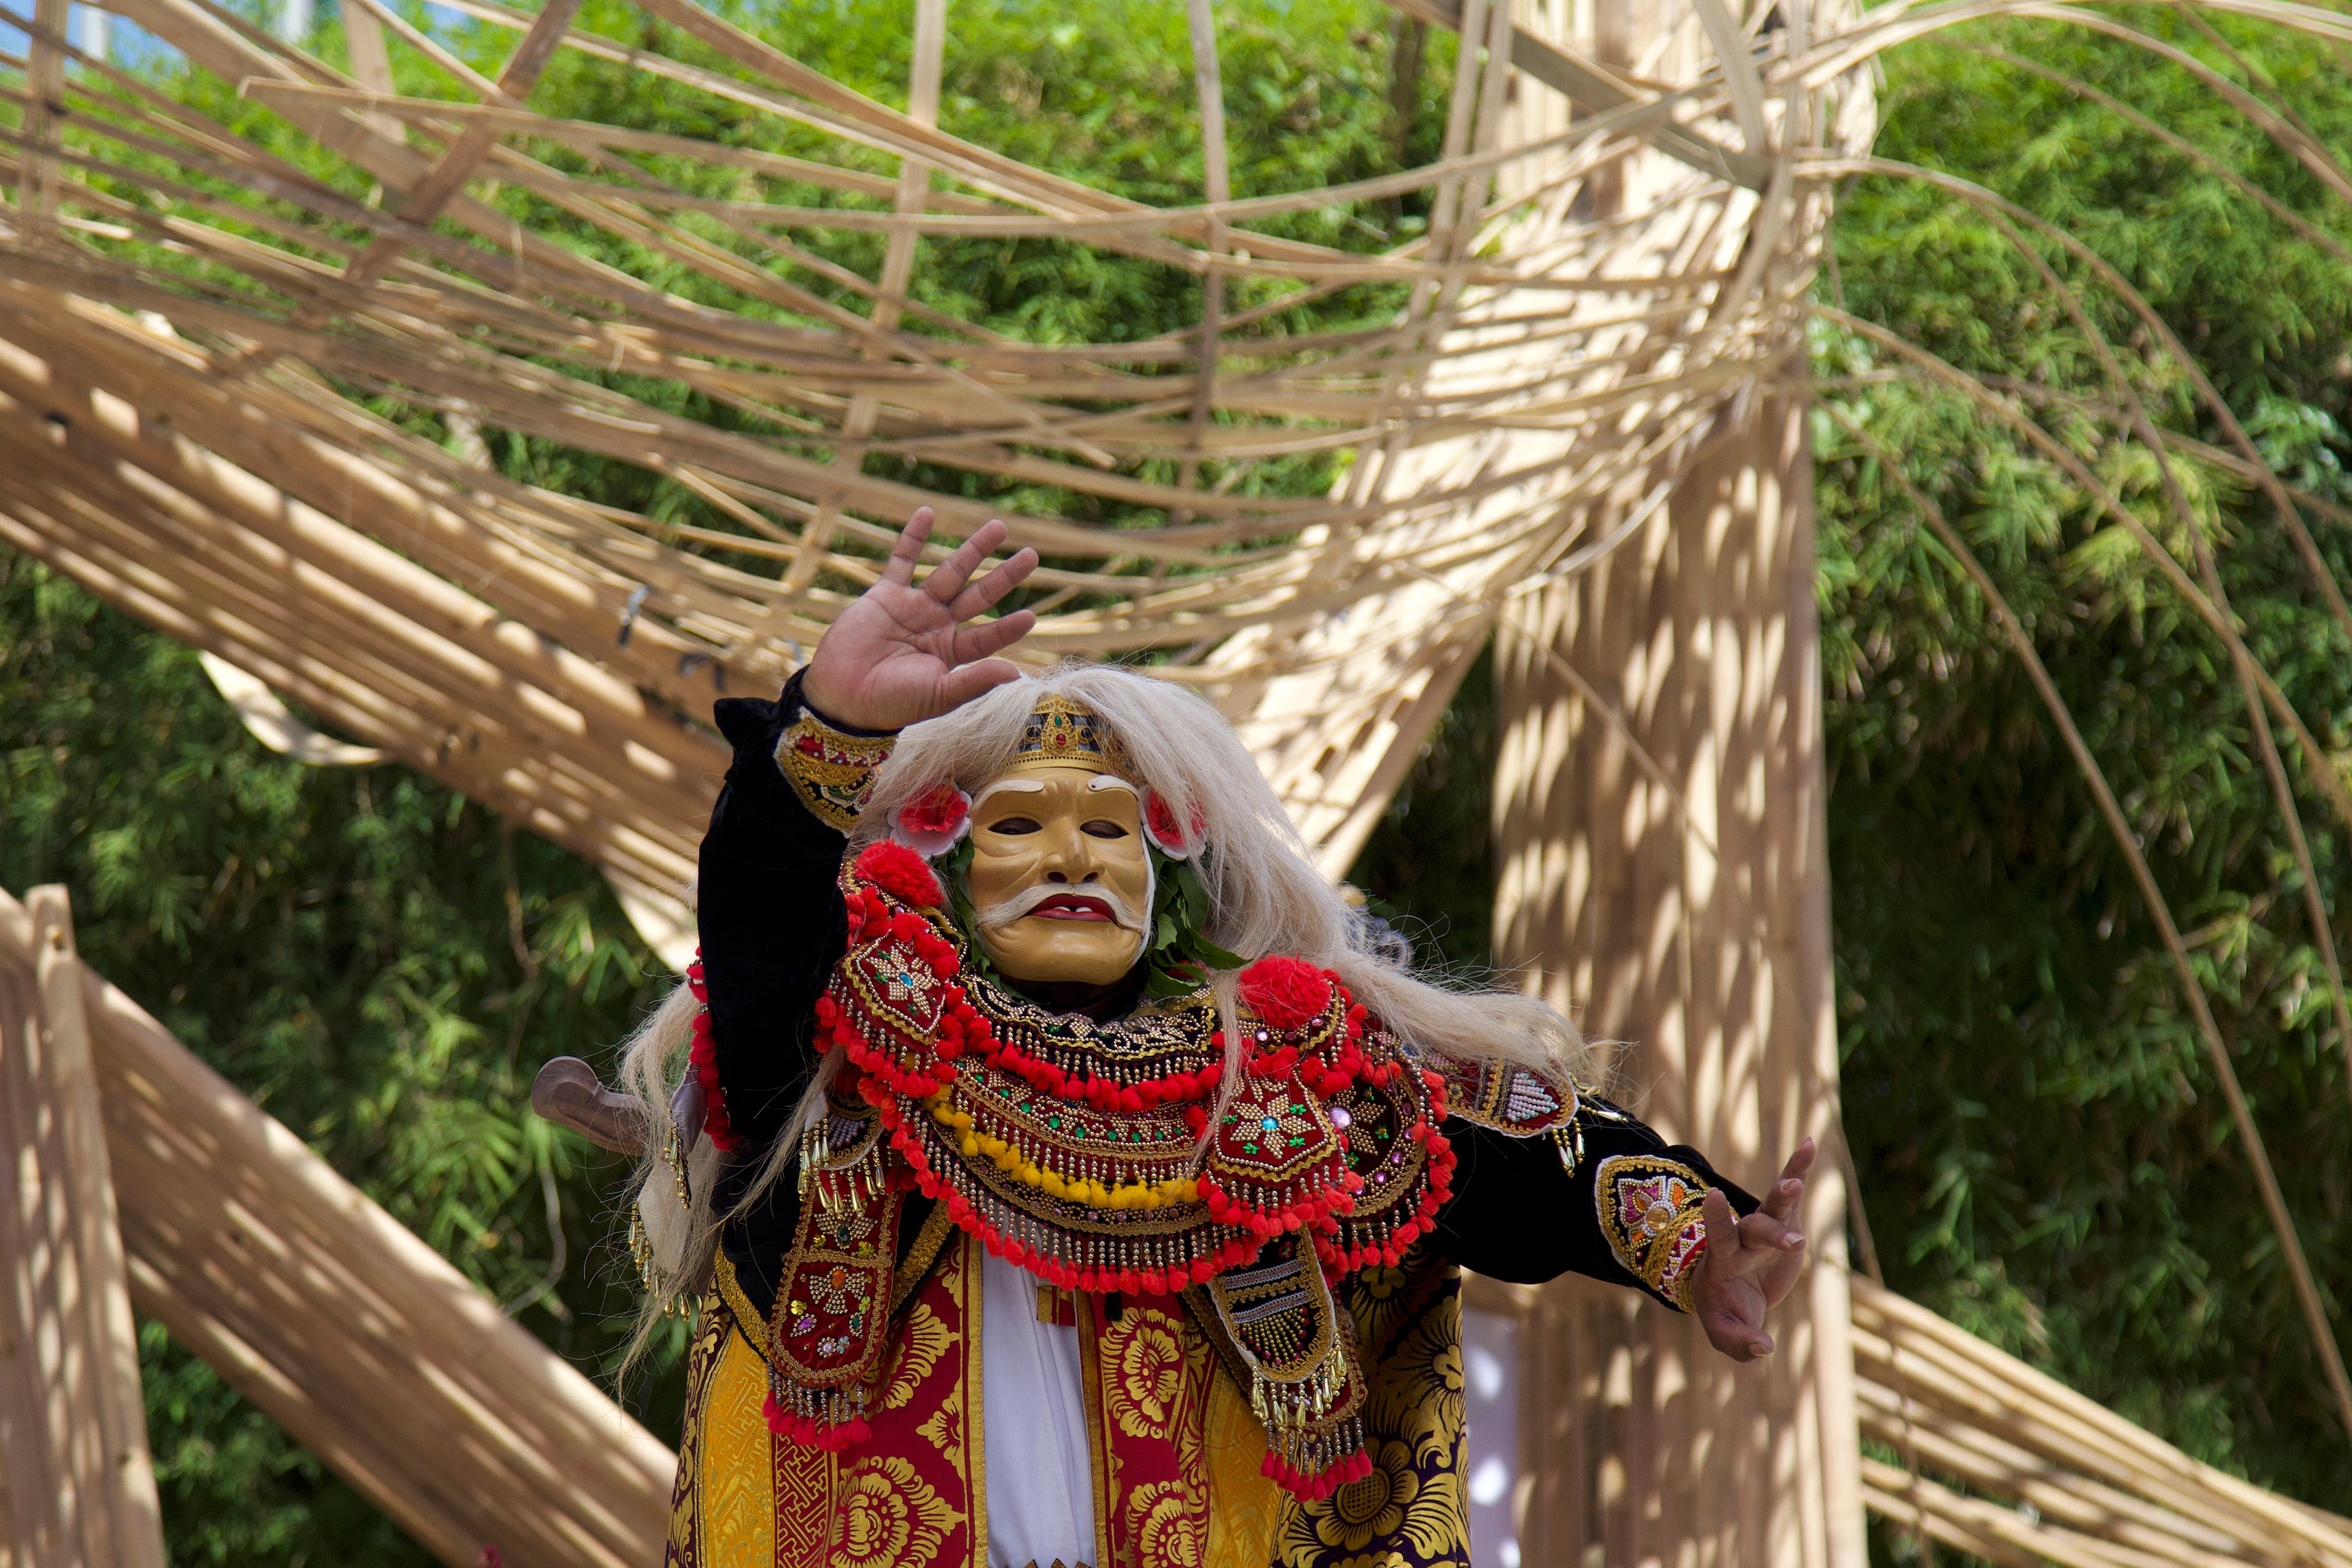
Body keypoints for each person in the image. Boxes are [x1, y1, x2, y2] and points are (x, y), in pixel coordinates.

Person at [589, 508, 1815, 1568]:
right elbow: (759, 939)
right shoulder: (844, 1066)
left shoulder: (1277, 1089)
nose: (1070, 854)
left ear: (1171, 872)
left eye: (1109, 830)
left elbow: (1518, 1148)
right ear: (950, 865)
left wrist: (1695, 1240)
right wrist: (828, 728)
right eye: (1017, 825)